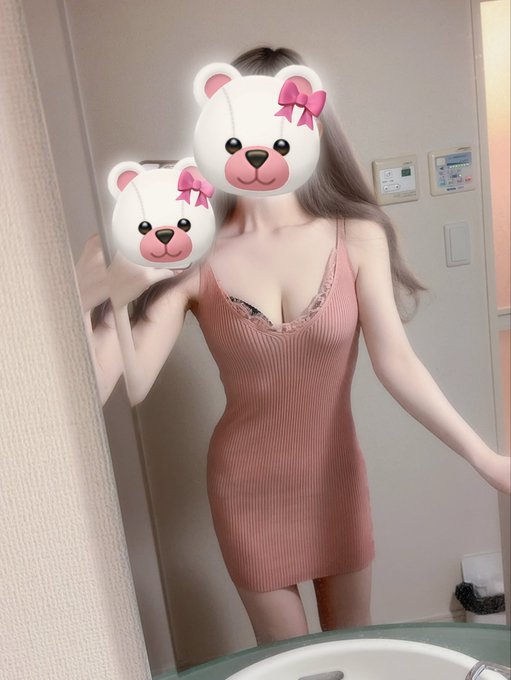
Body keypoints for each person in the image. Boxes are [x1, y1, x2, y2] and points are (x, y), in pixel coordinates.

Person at [77, 47, 510, 645]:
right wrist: (94, 297)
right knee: (292, 664)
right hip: (246, 490)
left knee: (353, 652)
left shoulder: (356, 234)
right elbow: (129, 385)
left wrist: (485, 459)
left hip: (336, 480)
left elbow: (397, 362)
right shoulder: (194, 256)